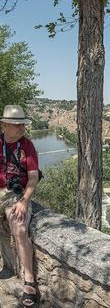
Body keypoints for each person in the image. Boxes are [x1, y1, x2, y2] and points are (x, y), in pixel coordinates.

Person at [0, 105, 40, 307]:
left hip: (16, 195)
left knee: (20, 227)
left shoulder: (27, 146)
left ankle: (29, 280)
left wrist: (24, 200)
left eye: (22, 125)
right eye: (17, 125)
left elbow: (33, 178)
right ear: (5, 125)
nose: (22, 128)